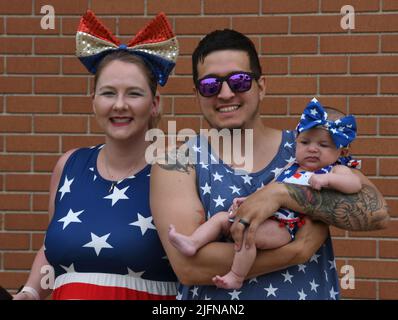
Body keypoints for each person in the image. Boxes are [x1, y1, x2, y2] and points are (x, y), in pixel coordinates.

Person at [150, 29, 389, 300]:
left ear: (261, 86)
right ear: (197, 95)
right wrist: (295, 252)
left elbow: (377, 213)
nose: (225, 93)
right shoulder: (176, 160)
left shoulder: (308, 149)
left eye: (240, 81)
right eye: (210, 85)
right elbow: (190, 266)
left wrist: (280, 194)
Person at [12, 10, 179, 300]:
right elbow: (51, 249)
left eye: (134, 94)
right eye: (108, 93)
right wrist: (30, 292)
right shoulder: (69, 164)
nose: (119, 105)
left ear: (155, 103)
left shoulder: (176, 169)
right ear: (93, 101)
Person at [168, 99, 362, 289]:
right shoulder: (292, 166)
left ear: (341, 152)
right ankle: (193, 242)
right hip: (266, 215)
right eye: (305, 142)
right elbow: (268, 191)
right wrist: (248, 201)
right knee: (220, 218)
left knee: (249, 235)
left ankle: (237, 275)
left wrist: (328, 181)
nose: (312, 148)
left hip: (285, 226)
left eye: (323, 145)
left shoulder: (334, 170)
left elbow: (354, 184)